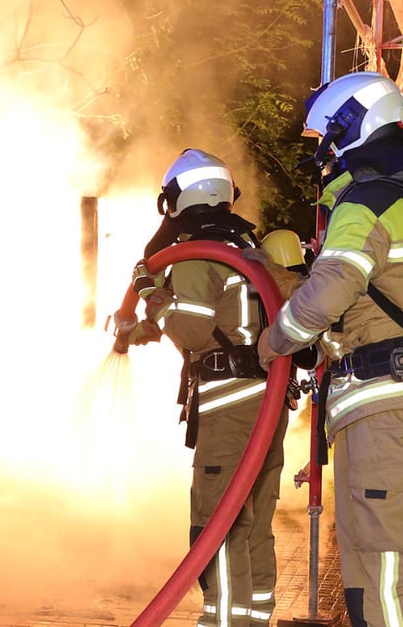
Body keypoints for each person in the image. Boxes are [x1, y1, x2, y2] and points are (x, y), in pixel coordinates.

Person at [256, 71, 403, 626]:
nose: (323, 152)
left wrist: (273, 342)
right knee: (374, 577)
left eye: (325, 136)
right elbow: (370, 310)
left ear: (351, 124)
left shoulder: (367, 200)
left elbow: (332, 289)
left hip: (389, 414)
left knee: (390, 581)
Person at [123, 148, 301, 627]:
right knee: (252, 525)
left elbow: (193, 329)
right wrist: (144, 328)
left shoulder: (195, 247)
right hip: (266, 399)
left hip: (230, 405)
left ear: (177, 196)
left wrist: (147, 292)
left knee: (216, 528)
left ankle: (224, 623)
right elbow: (222, 316)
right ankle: (252, 619)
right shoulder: (243, 244)